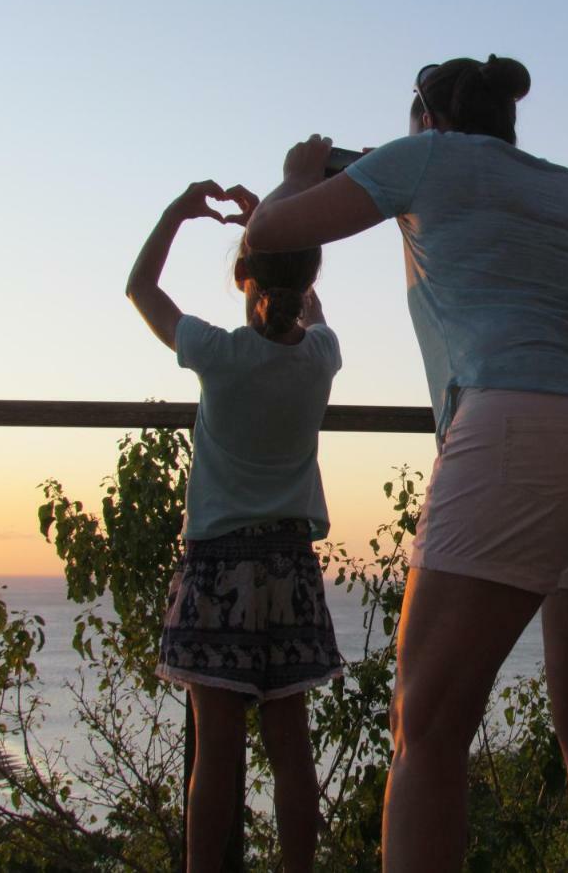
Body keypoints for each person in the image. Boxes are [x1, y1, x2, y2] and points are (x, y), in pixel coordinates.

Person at [246, 56, 568, 872]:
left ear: (426, 120)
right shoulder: (561, 186)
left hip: (523, 422)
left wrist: (296, 175)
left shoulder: (423, 157)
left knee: (427, 726)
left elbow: (268, 238)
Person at [125, 180, 343, 873]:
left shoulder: (217, 354)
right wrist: (271, 225)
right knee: (292, 751)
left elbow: (140, 288)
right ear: (307, 277)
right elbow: (309, 310)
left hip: (219, 569)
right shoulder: (321, 357)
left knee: (216, 757)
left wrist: (178, 214)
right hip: (291, 569)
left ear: (245, 280)